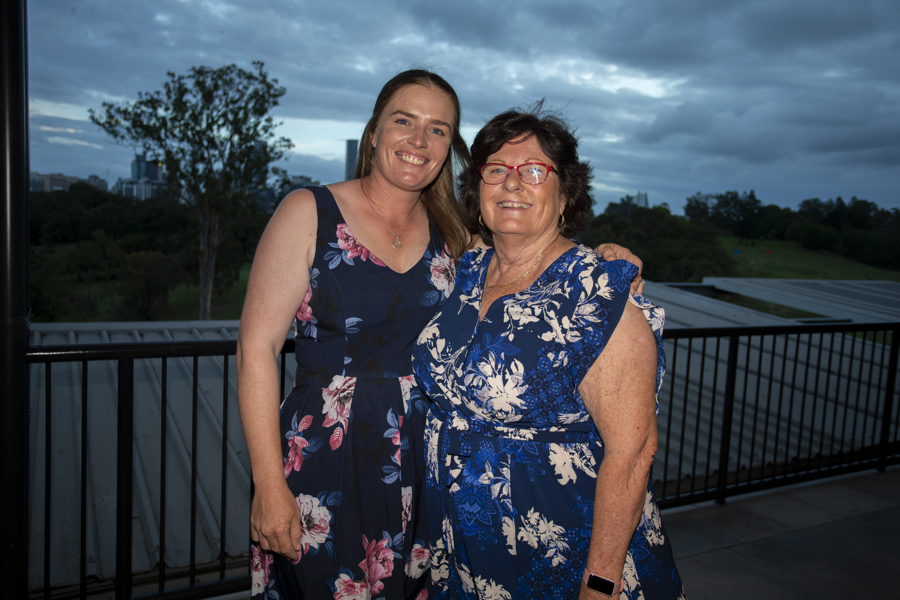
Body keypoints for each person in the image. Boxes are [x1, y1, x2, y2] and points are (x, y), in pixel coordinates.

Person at [237, 70, 644, 600]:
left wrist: (607, 257)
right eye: (403, 121)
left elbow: (530, 254)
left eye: (438, 130)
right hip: (326, 456)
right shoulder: (308, 211)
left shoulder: (455, 235)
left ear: (449, 149)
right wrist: (269, 484)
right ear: (374, 132)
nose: (418, 140)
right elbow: (256, 350)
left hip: (426, 464)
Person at [413, 107, 685, 599]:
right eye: (497, 169)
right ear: (478, 191)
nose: (512, 182)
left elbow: (633, 453)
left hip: (560, 547)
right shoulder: (470, 270)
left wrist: (599, 584)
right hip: (467, 545)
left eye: (535, 170)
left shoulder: (597, 295)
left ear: (565, 196)